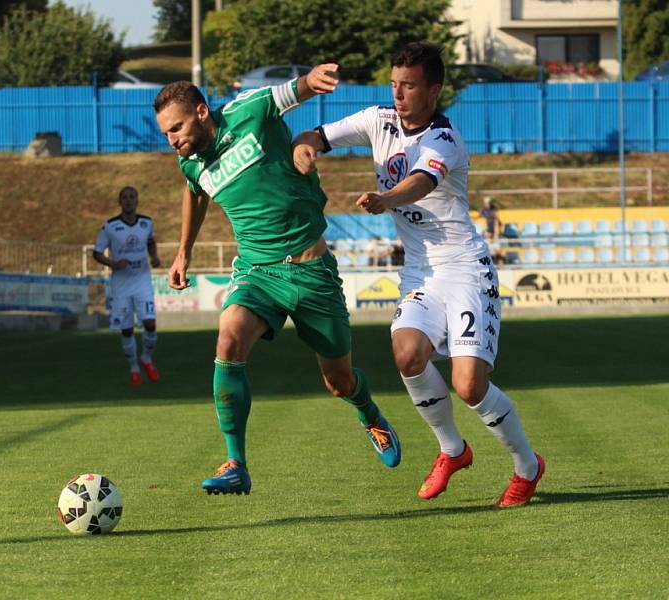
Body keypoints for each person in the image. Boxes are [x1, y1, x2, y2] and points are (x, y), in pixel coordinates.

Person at [292, 42, 544, 508]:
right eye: (394, 84)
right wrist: (304, 149)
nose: (399, 93)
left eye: (409, 85)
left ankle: (527, 467)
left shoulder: (444, 139)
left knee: (469, 385)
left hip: (466, 269)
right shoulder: (377, 120)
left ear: (434, 88)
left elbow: (422, 182)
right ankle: (453, 450)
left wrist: (387, 199)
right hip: (420, 272)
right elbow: (315, 135)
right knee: (407, 354)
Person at [153, 65, 401, 495]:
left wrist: (313, 79)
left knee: (338, 381)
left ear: (201, 111)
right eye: (166, 134)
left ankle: (369, 413)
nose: (172, 139)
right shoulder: (190, 162)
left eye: (176, 128)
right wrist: (183, 250)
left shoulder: (249, 112)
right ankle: (236, 463)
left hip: (312, 270)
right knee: (228, 339)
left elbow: (291, 93)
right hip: (258, 271)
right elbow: (194, 192)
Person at [93, 186, 161, 386]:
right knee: (127, 328)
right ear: (120, 201)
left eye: (132, 197)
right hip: (121, 283)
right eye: (125, 197)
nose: (129, 200)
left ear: (137, 200)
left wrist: (154, 256)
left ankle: (147, 359)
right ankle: (134, 368)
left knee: (150, 323)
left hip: (142, 280)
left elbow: (151, 241)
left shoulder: (146, 223)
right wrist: (113, 264)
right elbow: (96, 253)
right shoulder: (110, 227)